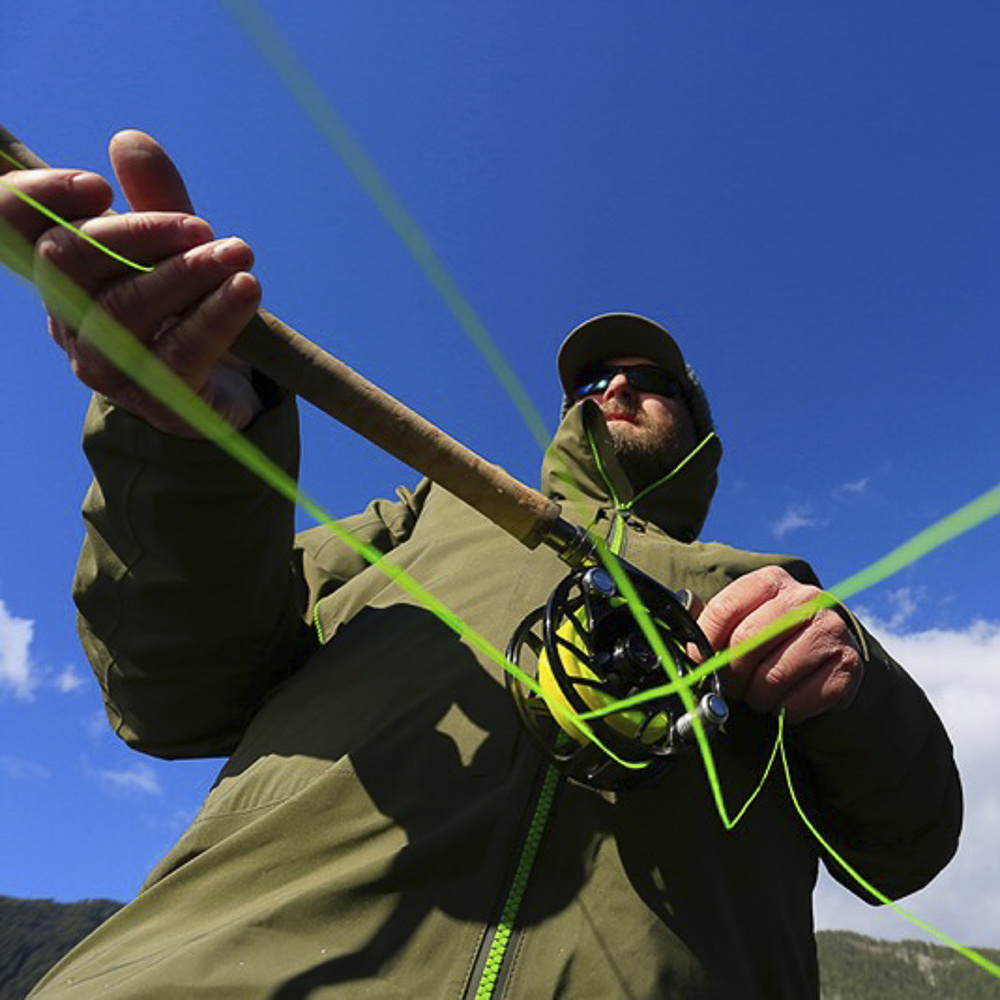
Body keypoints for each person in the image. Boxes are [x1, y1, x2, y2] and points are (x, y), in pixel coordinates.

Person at [5, 133, 960, 1000]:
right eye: (592, 380)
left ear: (699, 426)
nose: (615, 385)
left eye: (649, 378)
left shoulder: (776, 582)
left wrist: (859, 689)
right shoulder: (419, 514)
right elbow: (170, 694)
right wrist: (194, 445)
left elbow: (902, 853)